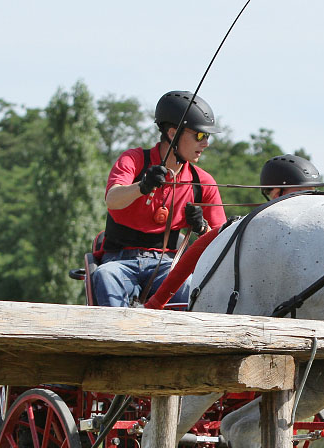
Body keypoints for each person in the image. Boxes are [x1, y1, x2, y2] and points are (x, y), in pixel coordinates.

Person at [91, 90, 227, 307]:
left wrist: (202, 228)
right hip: (120, 261)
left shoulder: (203, 182)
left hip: (167, 266)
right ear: (173, 133)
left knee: (195, 289)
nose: (206, 143)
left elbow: (222, 240)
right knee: (106, 275)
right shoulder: (133, 160)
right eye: (200, 136)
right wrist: (142, 186)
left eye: (207, 137)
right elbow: (112, 199)